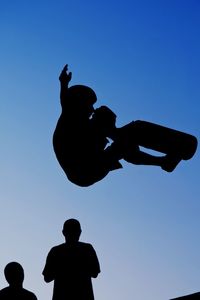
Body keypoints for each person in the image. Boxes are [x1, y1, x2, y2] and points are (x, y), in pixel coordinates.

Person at [53, 64, 198, 187]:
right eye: (89, 105)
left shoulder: (74, 115)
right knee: (120, 127)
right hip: (85, 168)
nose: (91, 110)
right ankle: (170, 154)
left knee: (125, 141)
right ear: (78, 104)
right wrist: (63, 83)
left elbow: (65, 99)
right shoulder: (71, 117)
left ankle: (164, 161)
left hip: (87, 166)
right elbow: (66, 101)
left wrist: (63, 82)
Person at [42, 218, 100, 300]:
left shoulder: (56, 251)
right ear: (80, 232)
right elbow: (95, 273)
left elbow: (47, 278)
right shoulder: (87, 249)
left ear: (63, 232)